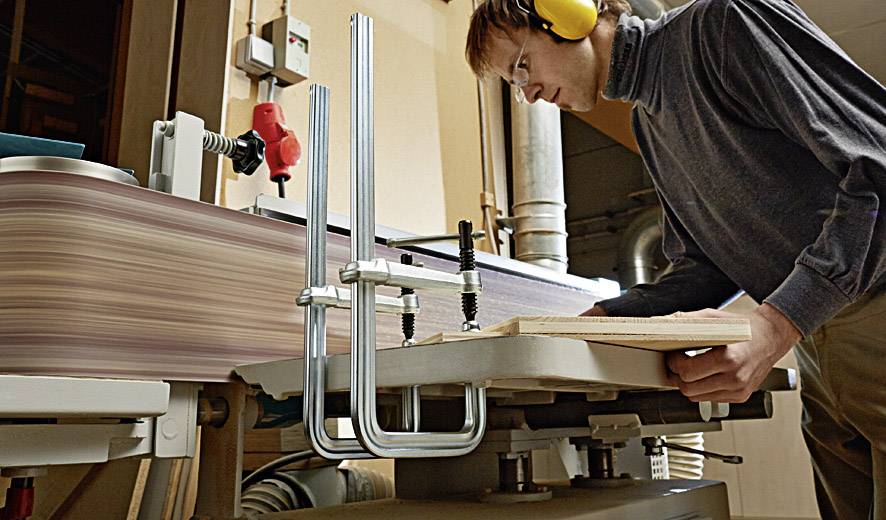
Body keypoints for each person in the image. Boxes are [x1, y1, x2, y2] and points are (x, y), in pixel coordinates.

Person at [465, 0, 886, 518]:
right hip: (820, 339)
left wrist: (776, 326)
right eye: (513, 83)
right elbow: (707, 267)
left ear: (567, 13)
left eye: (522, 66)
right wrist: (599, 321)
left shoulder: (722, 26)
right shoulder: (650, 123)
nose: (527, 94)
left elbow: (877, 169)